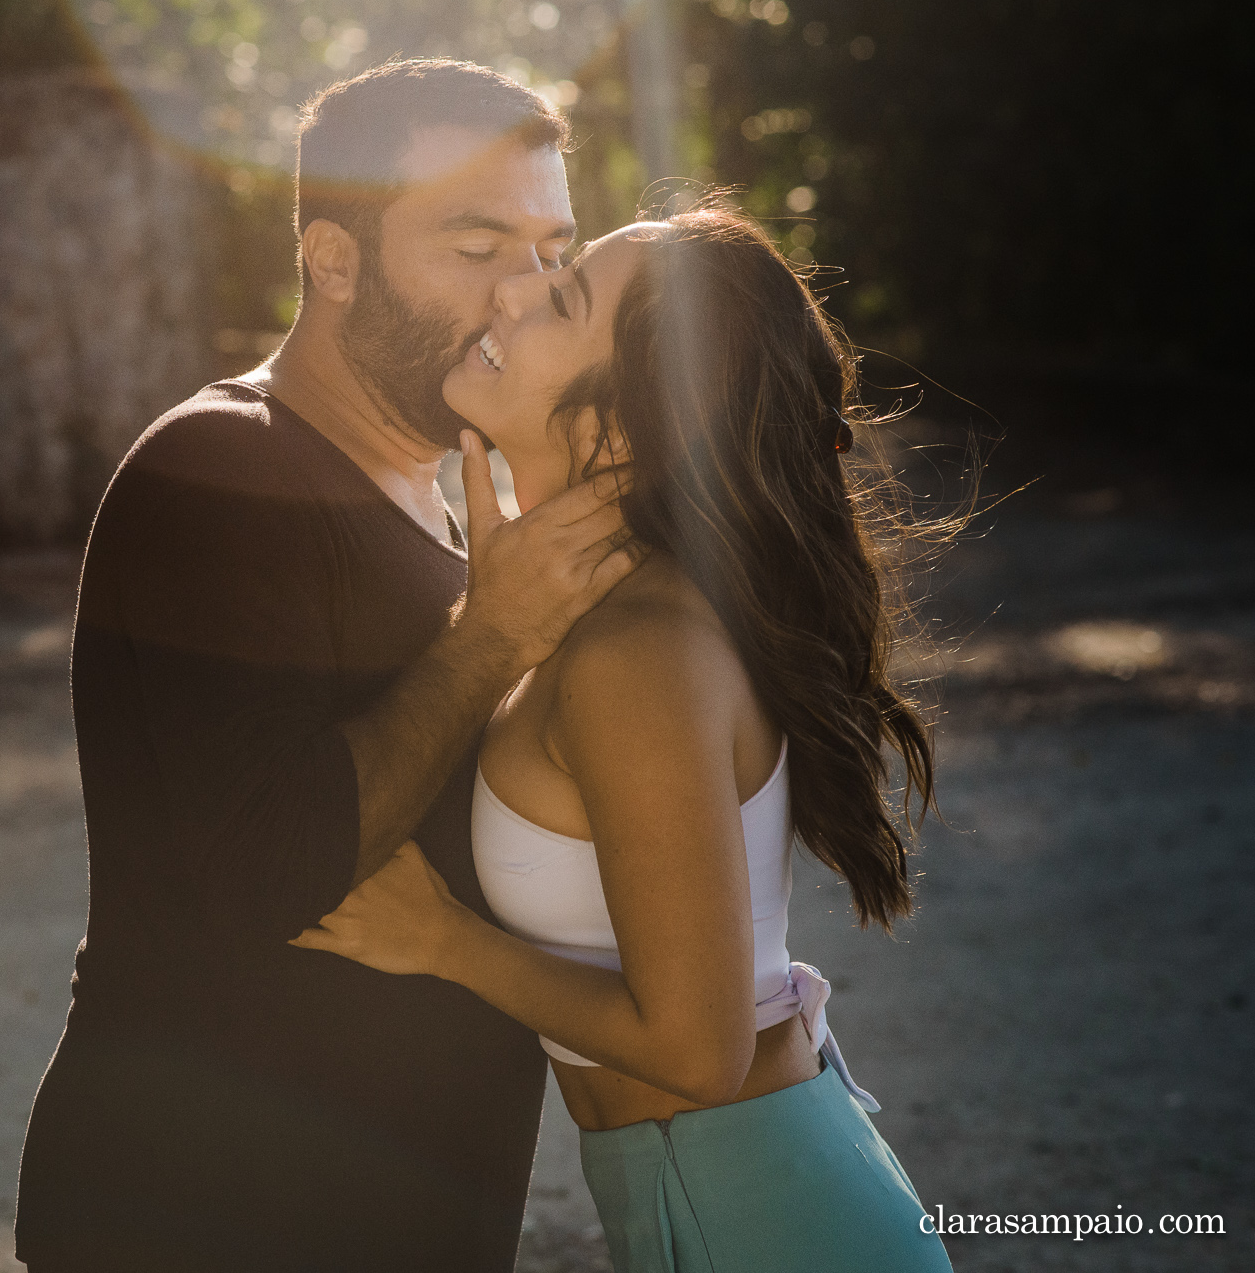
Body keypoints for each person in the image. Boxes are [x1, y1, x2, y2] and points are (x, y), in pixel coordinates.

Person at [13, 60, 640, 1272]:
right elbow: (270, 866)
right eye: (474, 246)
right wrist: (494, 637)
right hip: (203, 1215)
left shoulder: (452, 493)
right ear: (332, 259)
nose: (524, 291)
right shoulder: (222, 469)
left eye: (550, 247)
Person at [293, 204, 956, 1271]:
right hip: (720, 1189)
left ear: (618, 430)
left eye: (557, 298)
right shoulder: (602, 616)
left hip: (759, 1213)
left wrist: (442, 942)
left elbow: (697, 1049)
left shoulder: (635, 654)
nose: (509, 291)